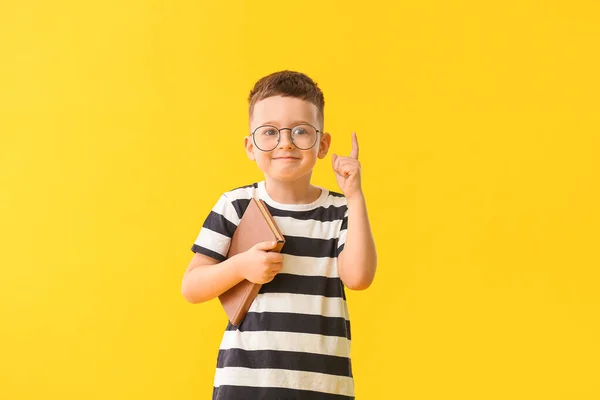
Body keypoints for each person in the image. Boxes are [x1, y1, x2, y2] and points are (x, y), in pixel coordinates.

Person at [181, 70, 377, 399]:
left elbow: (358, 278)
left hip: (322, 385)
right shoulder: (235, 205)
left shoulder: (340, 210)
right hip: (246, 384)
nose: (285, 142)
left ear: (323, 144)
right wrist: (241, 267)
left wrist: (355, 197)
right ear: (250, 146)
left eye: (300, 131)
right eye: (270, 132)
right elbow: (192, 287)